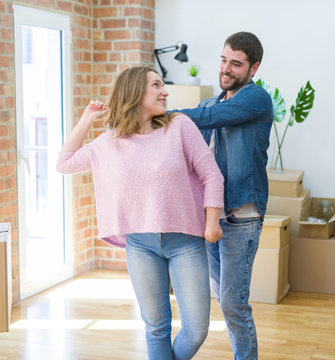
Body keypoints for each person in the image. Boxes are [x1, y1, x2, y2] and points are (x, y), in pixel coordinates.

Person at [56, 66, 224, 360]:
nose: (165, 91)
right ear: (135, 92)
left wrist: (212, 224)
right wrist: (86, 119)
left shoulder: (179, 127)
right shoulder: (111, 141)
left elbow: (212, 175)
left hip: (186, 241)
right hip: (140, 245)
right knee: (156, 328)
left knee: (197, 329)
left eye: (163, 85)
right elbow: (65, 163)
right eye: (157, 85)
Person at [174, 32, 273, 360]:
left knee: (233, 303)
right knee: (226, 299)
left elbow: (211, 119)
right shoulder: (208, 104)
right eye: (223, 59)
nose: (226, 68)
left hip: (242, 216)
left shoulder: (256, 99)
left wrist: (159, 114)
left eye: (236, 63)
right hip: (212, 218)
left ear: (253, 68)